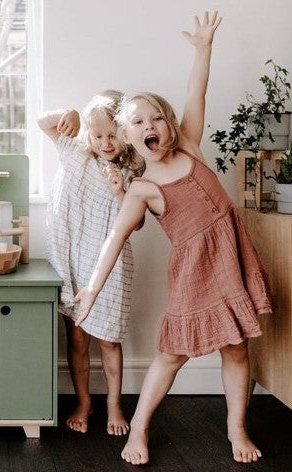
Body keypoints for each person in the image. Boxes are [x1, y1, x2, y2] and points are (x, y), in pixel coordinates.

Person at [74, 11, 272, 464]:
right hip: (195, 272)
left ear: (168, 125)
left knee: (238, 348)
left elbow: (195, 91)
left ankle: (235, 428)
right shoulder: (143, 190)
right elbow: (114, 240)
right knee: (171, 354)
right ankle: (138, 430)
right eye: (139, 122)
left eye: (157, 118)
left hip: (231, 258)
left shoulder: (191, 147)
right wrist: (91, 288)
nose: (151, 126)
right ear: (127, 138)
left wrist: (203, 49)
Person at [38, 91, 144, 435]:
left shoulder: (132, 171)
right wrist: (69, 111)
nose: (105, 142)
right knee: (78, 337)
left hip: (110, 265)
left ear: (126, 133)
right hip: (73, 259)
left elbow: (138, 223)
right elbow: (44, 122)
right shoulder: (75, 154)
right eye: (98, 135)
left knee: (110, 340)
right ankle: (84, 401)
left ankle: (114, 404)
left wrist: (119, 193)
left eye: (113, 135)